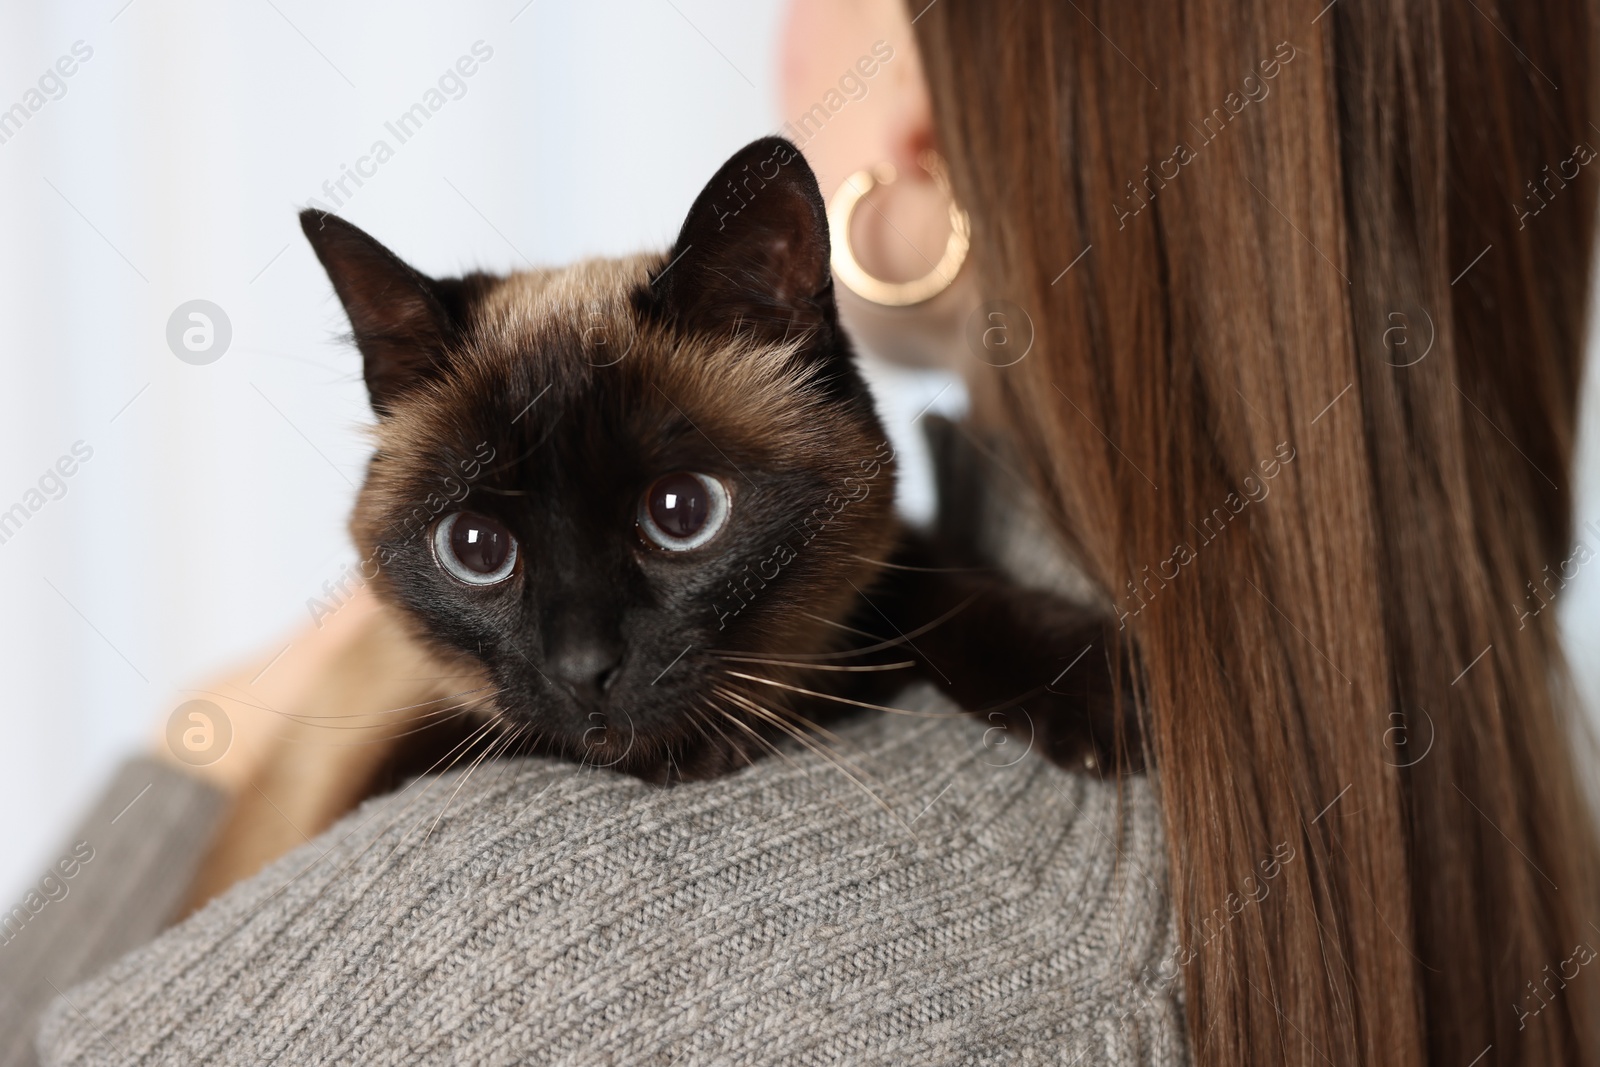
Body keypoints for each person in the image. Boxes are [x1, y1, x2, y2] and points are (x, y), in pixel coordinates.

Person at [11, 0, 1600, 1064]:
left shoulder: (507, 943)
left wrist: (194, 758)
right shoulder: (1509, 764)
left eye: (685, 514)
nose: (578, 662)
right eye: (481, 556)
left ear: (909, 128)